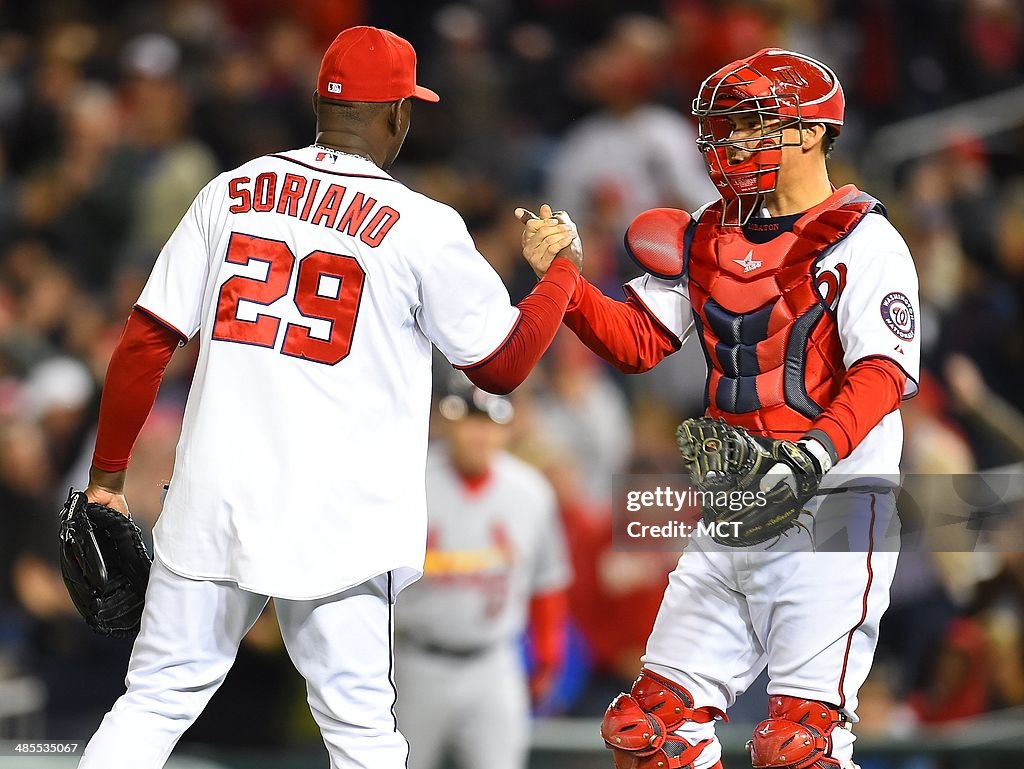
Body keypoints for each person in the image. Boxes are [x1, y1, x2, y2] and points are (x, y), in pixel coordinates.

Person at [76, 25, 582, 769]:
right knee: (360, 732)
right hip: (341, 521)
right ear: (398, 116)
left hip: (217, 497)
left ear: (320, 102)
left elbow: (146, 342)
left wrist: (107, 477)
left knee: (152, 702)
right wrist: (562, 274)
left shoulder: (231, 191)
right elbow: (502, 367)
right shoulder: (421, 225)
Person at [521, 48, 920, 769]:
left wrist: (811, 454)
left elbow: (881, 374)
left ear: (809, 130)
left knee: (800, 746)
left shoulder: (869, 240)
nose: (730, 142)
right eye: (725, 127)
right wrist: (568, 280)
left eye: (750, 124)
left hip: (833, 505)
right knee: (650, 733)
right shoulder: (709, 228)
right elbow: (640, 341)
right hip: (734, 503)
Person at [395, 375, 570, 769]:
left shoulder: (529, 491)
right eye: (469, 422)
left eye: (488, 424)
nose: (478, 435)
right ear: (447, 423)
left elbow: (547, 582)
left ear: (506, 429)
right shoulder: (411, 482)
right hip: (417, 658)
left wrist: (547, 656)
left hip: (494, 663)